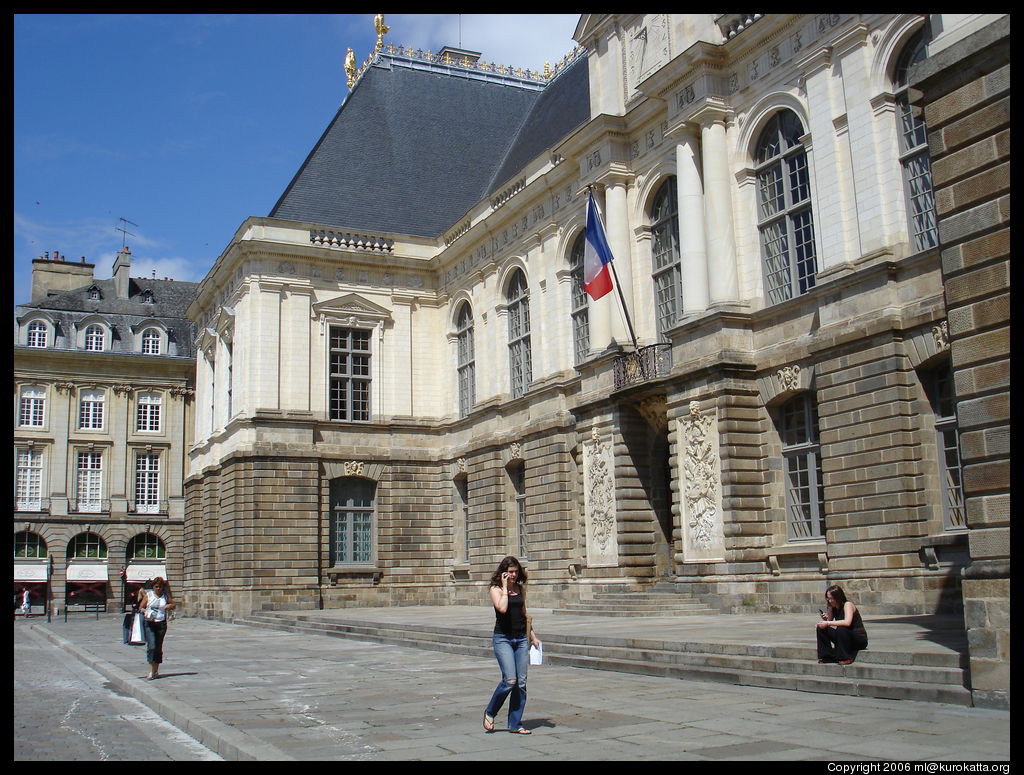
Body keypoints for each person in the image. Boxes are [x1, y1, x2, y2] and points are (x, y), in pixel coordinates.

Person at [483, 556, 541, 735]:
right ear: (503, 573)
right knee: (510, 680)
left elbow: (523, 614)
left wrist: (533, 636)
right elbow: (502, 608)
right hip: (503, 639)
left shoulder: (520, 588)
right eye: (510, 572)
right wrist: (506, 589)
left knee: (521, 683)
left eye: (516, 572)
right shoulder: (495, 589)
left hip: (521, 639)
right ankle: (490, 712)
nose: (514, 575)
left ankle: (515, 723)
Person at [816, 584, 868, 665]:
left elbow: (847, 622)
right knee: (821, 628)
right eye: (828, 598)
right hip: (843, 637)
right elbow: (829, 621)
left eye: (831, 598)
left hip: (858, 638)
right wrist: (826, 619)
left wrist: (828, 623)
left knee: (841, 628)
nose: (829, 601)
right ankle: (826, 656)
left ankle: (846, 657)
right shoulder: (832, 607)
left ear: (838, 597)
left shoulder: (848, 605)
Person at [137, 577, 175, 680]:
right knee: (152, 646)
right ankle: (151, 670)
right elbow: (141, 607)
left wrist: (169, 606)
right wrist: (145, 611)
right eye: (156, 586)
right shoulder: (148, 595)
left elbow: (173, 604)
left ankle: (156, 670)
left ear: (163, 587)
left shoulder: (165, 596)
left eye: (160, 587)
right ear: (153, 587)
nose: (158, 588)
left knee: (158, 647)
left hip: (161, 624)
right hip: (150, 623)